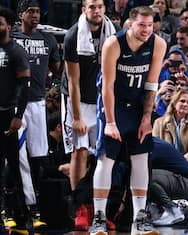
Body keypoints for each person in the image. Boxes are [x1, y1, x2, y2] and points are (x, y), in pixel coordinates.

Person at [92, 6, 166, 235]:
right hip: (113, 102)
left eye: (150, 25)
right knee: (107, 158)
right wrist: (111, 122)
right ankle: (99, 218)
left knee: (141, 158)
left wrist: (146, 118)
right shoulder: (113, 44)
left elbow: (152, 84)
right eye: (142, 25)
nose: (146, 30)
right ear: (130, 24)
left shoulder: (158, 44)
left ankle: (139, 220)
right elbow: (107, 87)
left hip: (137, 104)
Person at [62, 0, 116, 230]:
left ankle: (99, 209)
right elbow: (72, 81)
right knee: (80, 151)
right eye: (92, 7)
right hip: (78, 99)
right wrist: (76, 117)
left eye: (100, 6)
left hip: (100, 97)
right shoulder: (73, 35)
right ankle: (80, 207)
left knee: (103, 155)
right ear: (84, 10)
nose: (97, 11)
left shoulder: (112, 32)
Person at [11, 0, 61, 229]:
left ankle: (33, 208)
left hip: (38, 103)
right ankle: (13, 209)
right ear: (21, 15)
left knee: (37, 157)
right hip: (14, 104)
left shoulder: (48, 39)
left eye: (38, 11)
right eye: (30, 11)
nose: (35, 15)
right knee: (14, 157)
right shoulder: (10, 37)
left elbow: (57, 69)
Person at [0, 6, 31, 233]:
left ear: (9, 26)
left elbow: (24, 86)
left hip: (8, 115)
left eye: (0, 23)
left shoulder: (16, 51)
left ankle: (21, 216)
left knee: (14, 166)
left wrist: (18, 115)